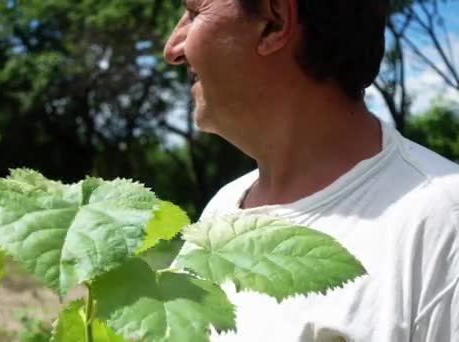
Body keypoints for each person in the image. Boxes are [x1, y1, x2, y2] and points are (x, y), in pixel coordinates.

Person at [163, 0, 459, 341]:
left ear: (273, 23)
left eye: (195, 12)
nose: (172, 48)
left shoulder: (441, 223)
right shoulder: (224, 207)